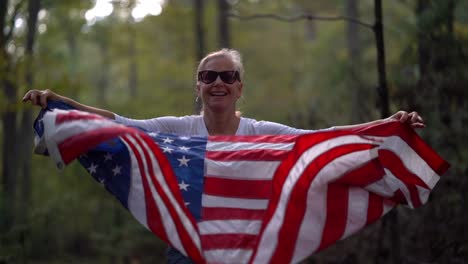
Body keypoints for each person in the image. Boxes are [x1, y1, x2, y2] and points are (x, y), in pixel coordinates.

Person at [22, 48, 425, 263]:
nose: (218, 82)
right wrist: (63, 104)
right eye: (208, 76)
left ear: (238, 87)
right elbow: (118, 123)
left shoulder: (262, 133)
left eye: (227, 76)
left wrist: (386, 125)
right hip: (189, 247)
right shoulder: (177, 129)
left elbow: (321, 141)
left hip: (251, 250)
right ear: (197, 87)